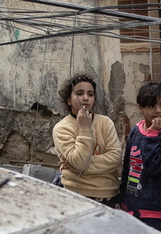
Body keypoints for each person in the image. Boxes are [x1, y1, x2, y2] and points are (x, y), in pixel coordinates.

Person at [119, 82, 161, 234]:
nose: (158, 111)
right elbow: (127, 167)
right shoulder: (136, 131)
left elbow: (154, 166)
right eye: (152, 106)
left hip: (160, 212)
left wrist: (153, 135)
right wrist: (123, 198)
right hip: (134, 208)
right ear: (141, 108)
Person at [52, 73, 122, 205]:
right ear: (68, 100)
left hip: (107, 194)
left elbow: (115, 158)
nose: (85, 98)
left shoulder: (105, 123)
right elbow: (80, 162)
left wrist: (77, 168)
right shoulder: (62, 128)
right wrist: (84, 128)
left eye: (90, 94)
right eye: (79, 93)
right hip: (75, 195)